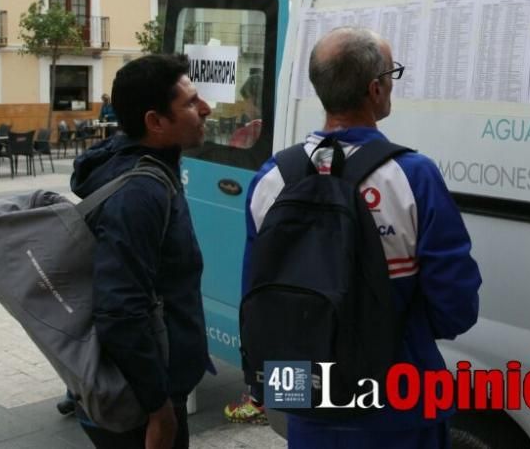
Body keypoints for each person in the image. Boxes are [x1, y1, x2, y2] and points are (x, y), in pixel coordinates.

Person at [240, 26, 482, 447]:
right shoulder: (412, 176)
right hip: (399, 401)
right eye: (392, 74)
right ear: (375, 89)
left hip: (306, 399)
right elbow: (456, 304)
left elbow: (257, 289)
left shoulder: (271, 178)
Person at [70, 54, 214, 449]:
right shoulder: (140, 190)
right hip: (141, 402)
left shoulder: (144, 166)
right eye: (190, 102)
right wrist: (158, 408)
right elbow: (120, 306)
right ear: (155, 122)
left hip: (150, 386)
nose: (206, 108)